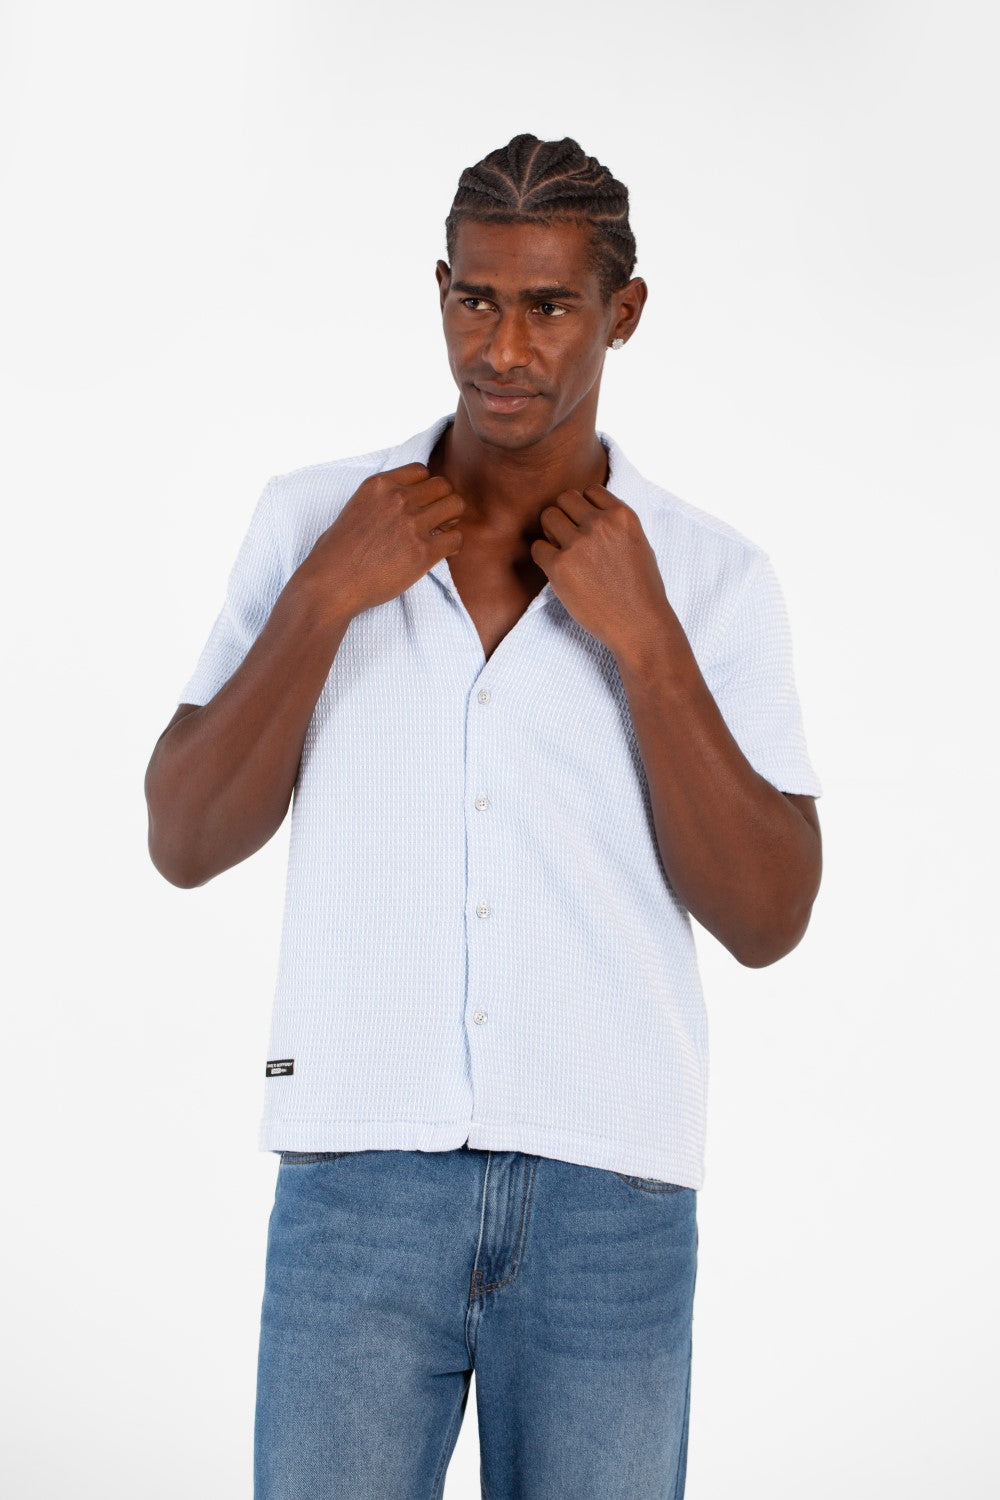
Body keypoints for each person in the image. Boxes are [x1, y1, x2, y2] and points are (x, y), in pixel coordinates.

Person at [145, 133, 823, 1500]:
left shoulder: (713, 577)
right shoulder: (312, 520)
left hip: (612, 1195)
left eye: (550, 306)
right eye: (475, 298)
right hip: (358, 1177)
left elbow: (769, 917)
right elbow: (185, 840)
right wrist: (324, 597)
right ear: (441, 290)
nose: (502, 348)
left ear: (624, 313)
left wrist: (649, 647)